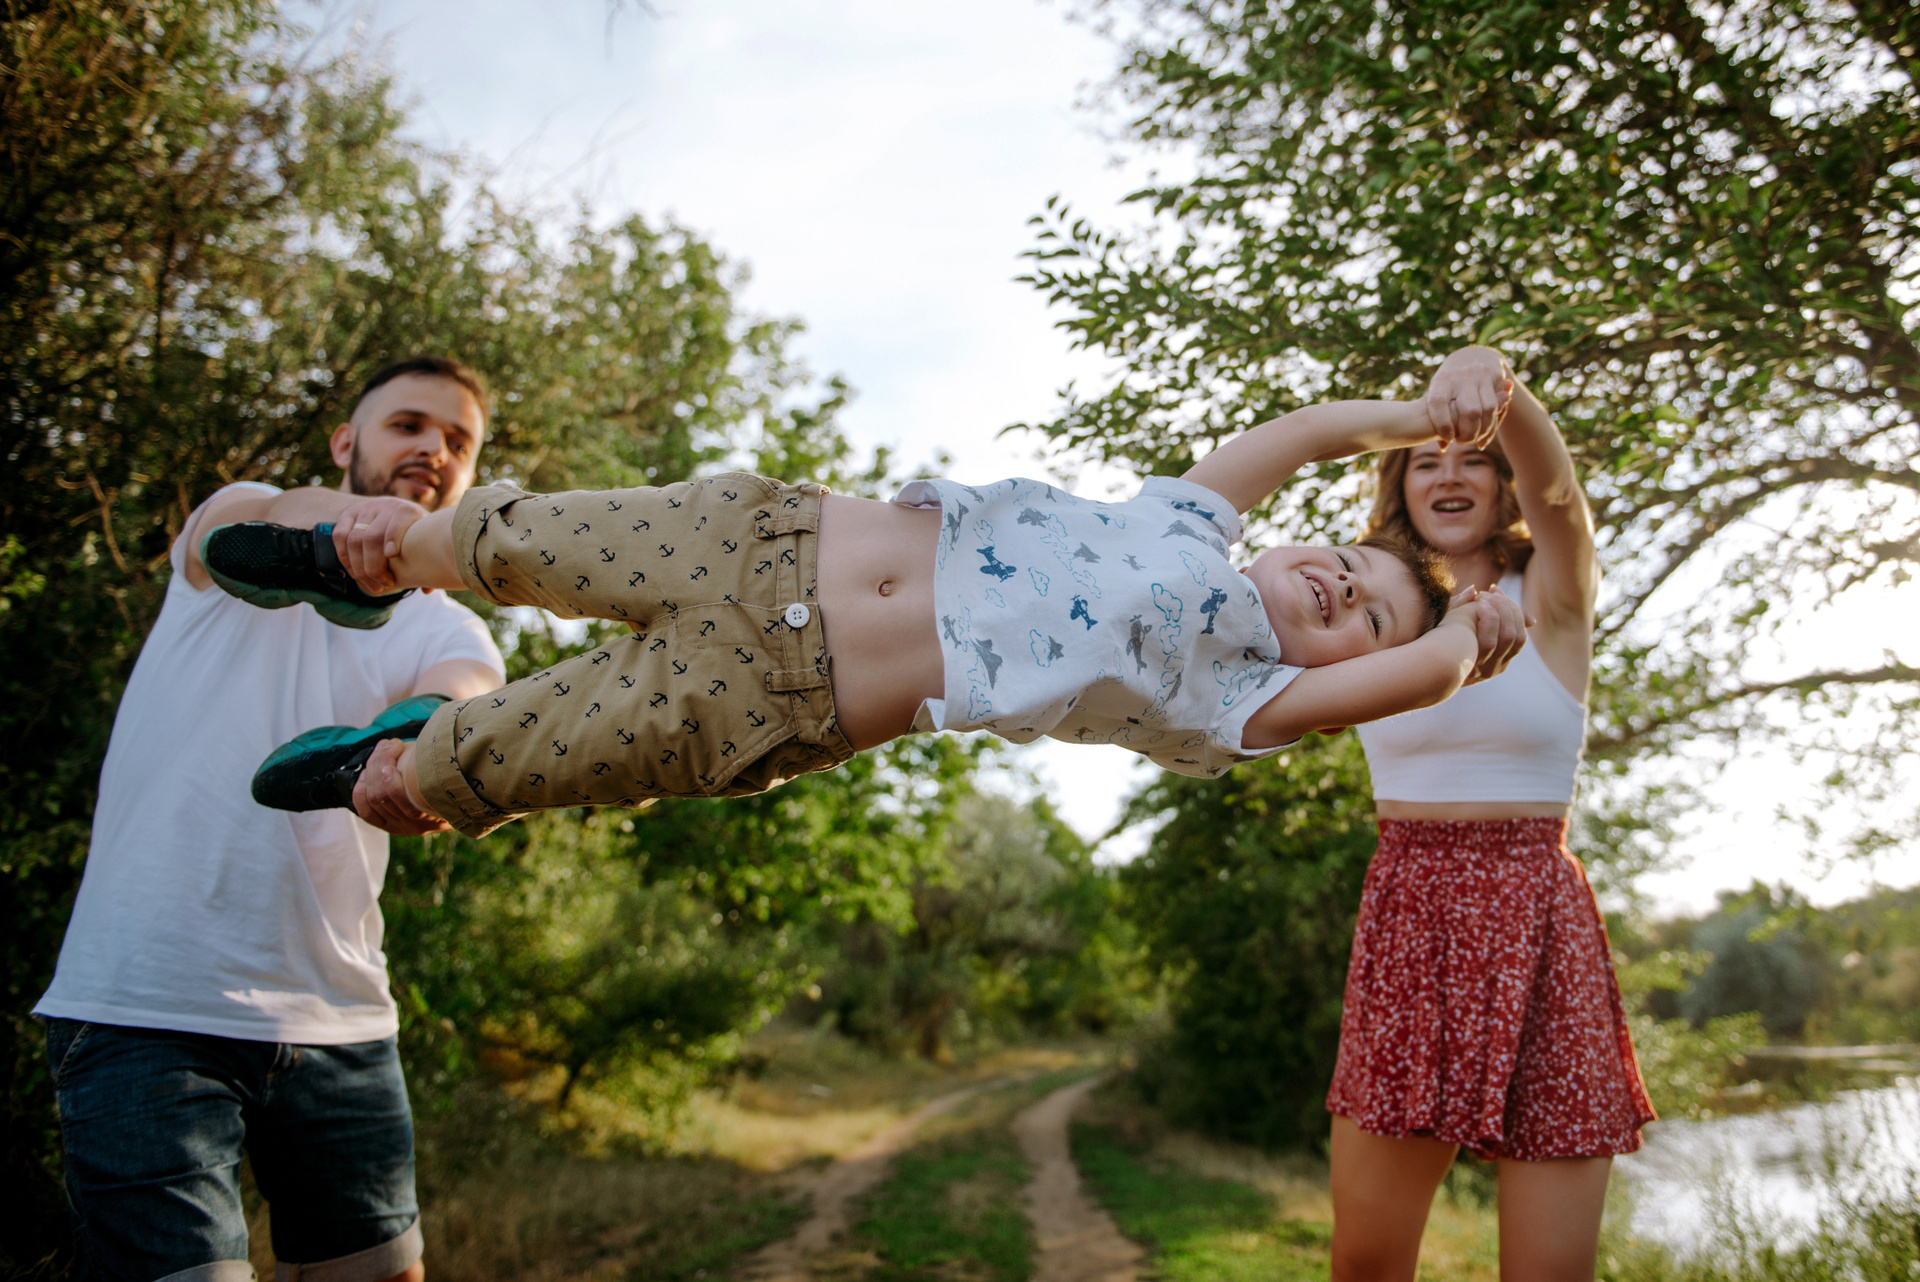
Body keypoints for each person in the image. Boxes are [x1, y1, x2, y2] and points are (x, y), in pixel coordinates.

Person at [206, 396, 1529, 839]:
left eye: (1368, 619)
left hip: (764, 699)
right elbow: (1304, 432)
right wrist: (1426, 419)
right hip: (759, 533)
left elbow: (1410, 678)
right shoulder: (1190, 522)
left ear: (1351, 670)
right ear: (1298, 537)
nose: (1346, 587)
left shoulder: (1242, 706)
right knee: (523, 534)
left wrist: (1463, 636)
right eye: (1350, 561)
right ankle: (372, 555)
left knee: (532, 753)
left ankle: (412, 756)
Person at [35, 358, 506, 1282]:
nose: (433, 449)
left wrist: (412, 759)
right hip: (147, 1005)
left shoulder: (451, 627)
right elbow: (264, 520)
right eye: (408, 425)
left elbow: (465, 689)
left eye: (458, 441)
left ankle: (381, 742)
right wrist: (364, 536)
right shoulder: (239, 521)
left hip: (341, 1016)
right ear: (345, 442)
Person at [1326, 347, 1656, 1282]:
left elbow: (1560, 497)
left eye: (1473, 457)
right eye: (1426, 459)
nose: (1450, 473)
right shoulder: (1370, 616)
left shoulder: (1552, 596)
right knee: (1365, 1265)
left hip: (1540, 915)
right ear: (1398, 487)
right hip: (1411, 916)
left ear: (1501, 481)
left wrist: (1496, 382)